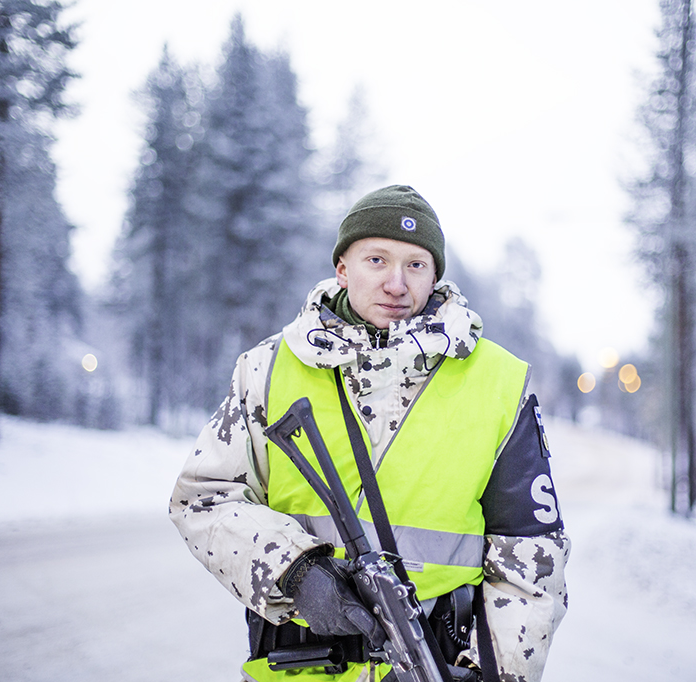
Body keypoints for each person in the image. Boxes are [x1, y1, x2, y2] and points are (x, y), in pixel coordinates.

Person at [170, 185, 570, 682]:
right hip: (294, 668)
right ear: (343, 268)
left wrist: (494, 675)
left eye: (415, 265)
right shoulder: (267, 368)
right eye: (376, 260)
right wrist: (294, 571)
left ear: (435, 276)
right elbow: (202, 499)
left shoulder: (499, 382)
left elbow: (531, 558)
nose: (396, 284)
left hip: (440, 665)